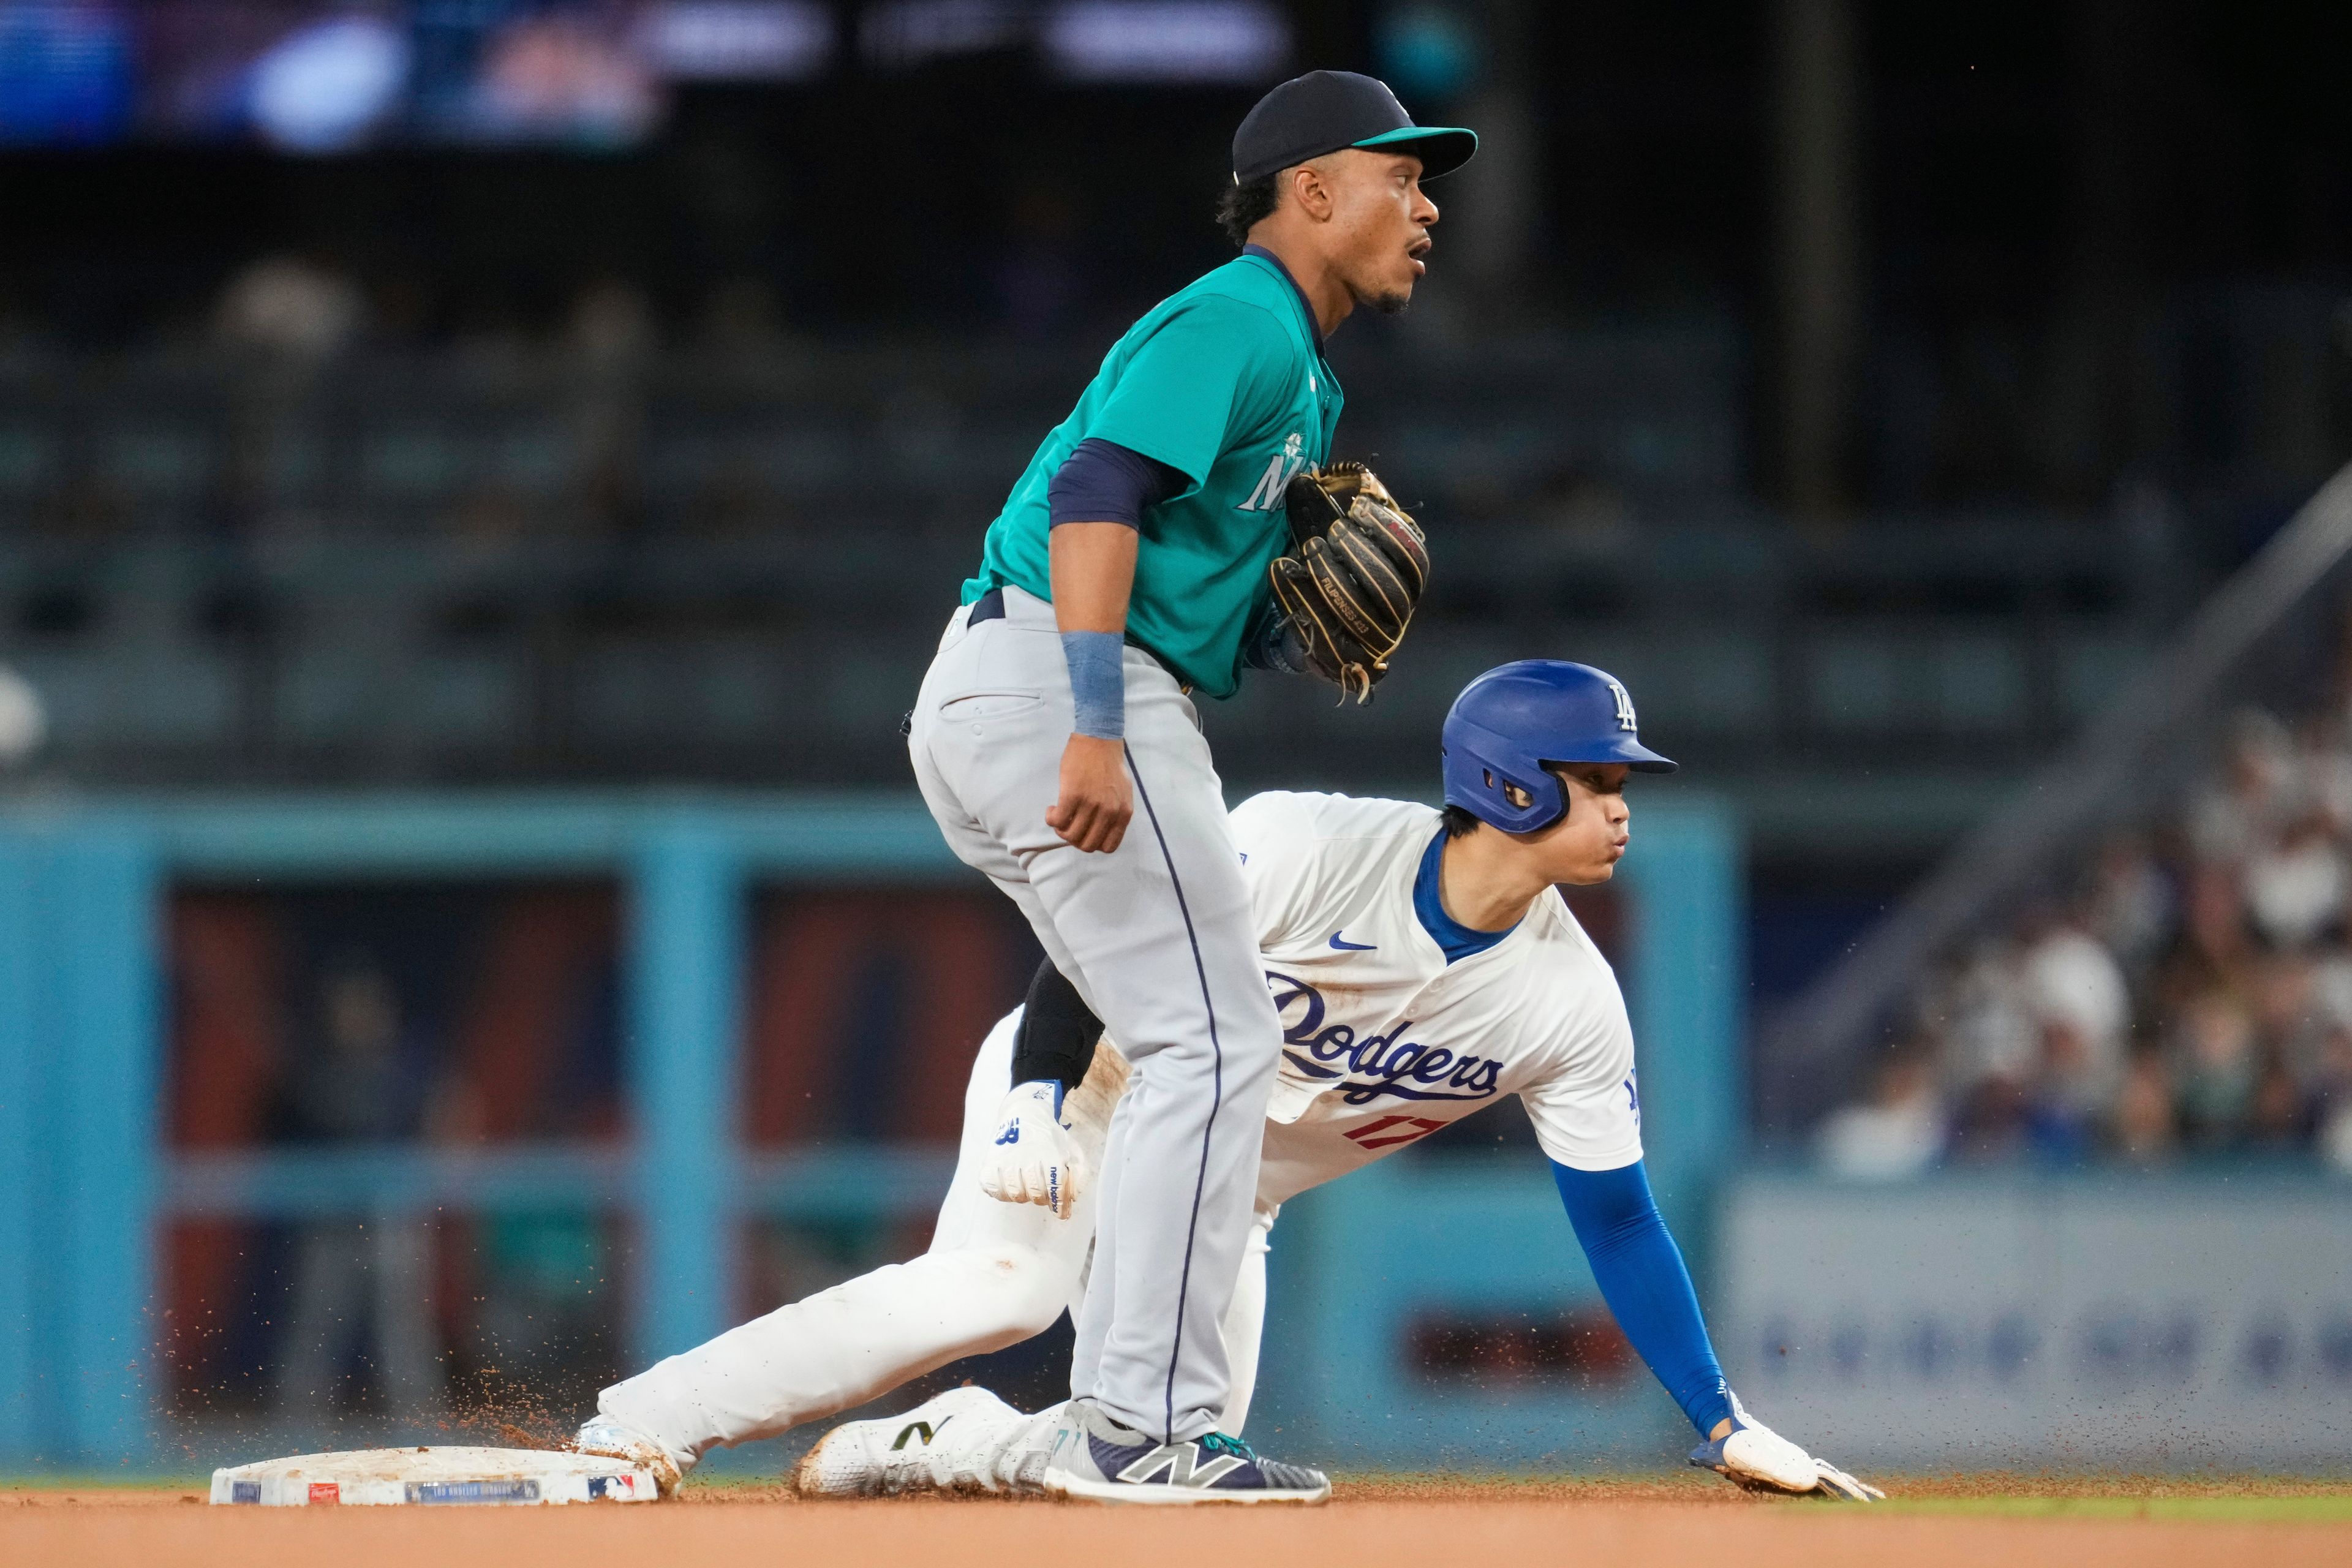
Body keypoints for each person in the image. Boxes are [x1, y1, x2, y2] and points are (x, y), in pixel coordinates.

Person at [575, 663, 1880, 1504]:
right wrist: (1035, 1089)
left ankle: (941, 1442)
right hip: (1088, 1088)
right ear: (1510, 782)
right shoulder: (1305, 844)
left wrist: (1718, 1416)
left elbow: (1616, 1217)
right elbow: (1102, 936)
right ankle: (646, 1420)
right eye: (1599, 779)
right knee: (1003, 1282)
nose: (1623, 803)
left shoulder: (1570, 1002)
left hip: (1224, 1201)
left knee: (1158, 1464)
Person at [834, 70, 1467, 1504]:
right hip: (1060, 677)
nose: (1425, 209)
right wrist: (1100, 721)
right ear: (1311, 190)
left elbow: (1180, 560)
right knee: (1217, 1039)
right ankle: (1140, 1424)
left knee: (1194, 1034)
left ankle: (1124, 1415)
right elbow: (1095, 491)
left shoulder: (1300, 369)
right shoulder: (1239, 315)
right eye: (1400, 177)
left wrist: (1267, 625)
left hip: (1032, 680)